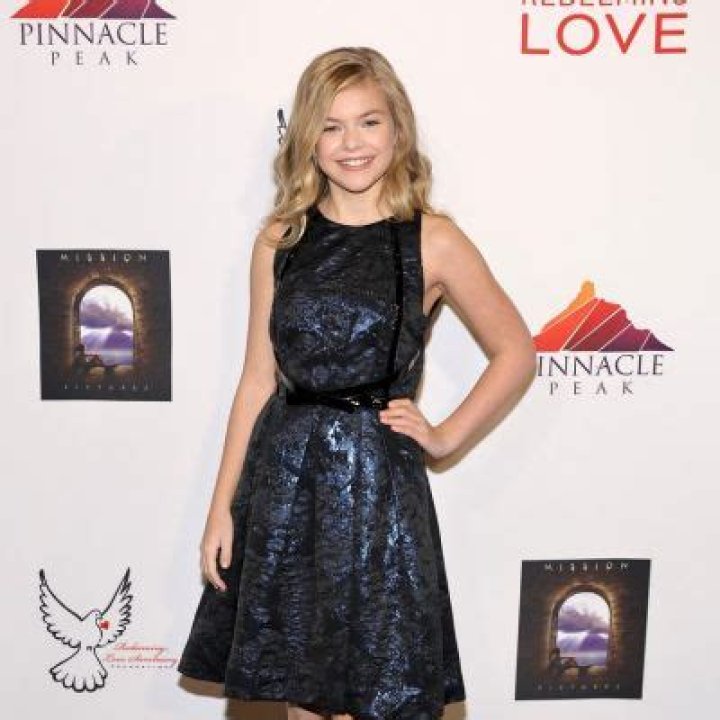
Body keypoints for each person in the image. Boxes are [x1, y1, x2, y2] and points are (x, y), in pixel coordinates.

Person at [177, 46, 537, 720]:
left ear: (397, 128)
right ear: (307, 140)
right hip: (287, 482)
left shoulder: (432, 240)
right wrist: (221, 508)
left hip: (378, 487)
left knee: (377, 692)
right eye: (331, 126)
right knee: (302, 697)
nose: (351, 143)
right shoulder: (281, 238)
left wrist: (445, 435)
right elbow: (256, 379)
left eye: (369, 122)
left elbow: (516, 350)